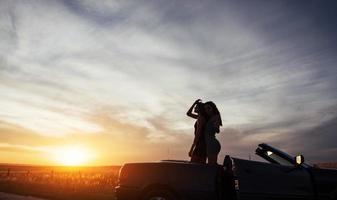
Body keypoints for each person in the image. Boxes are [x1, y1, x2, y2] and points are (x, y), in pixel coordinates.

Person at [187, 99, 207, 163]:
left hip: (200, 144)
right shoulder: (200, 117)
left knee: (192, 166)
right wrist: (194, 103)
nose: (194, 108)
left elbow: (198, 134)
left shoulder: (200, 118)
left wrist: (192, 148)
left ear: (200, 108)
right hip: (204, 144)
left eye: (196, 107)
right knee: (201, 166)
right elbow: (188, 113)